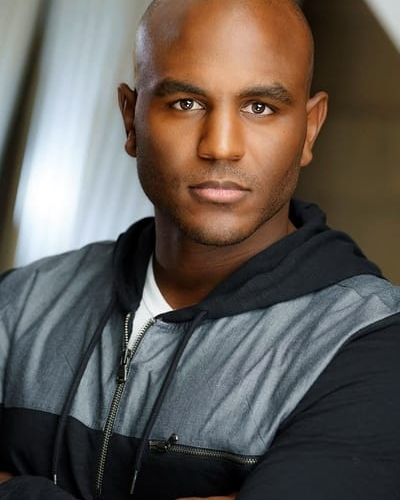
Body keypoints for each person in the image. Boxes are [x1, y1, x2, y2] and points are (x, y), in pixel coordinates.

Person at [0, 0, 399, 499]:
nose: (221, 146)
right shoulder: (21, 304)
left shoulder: (371, 344)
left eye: (260, 107)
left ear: (309, 128)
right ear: (131, 119)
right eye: (186, 103)